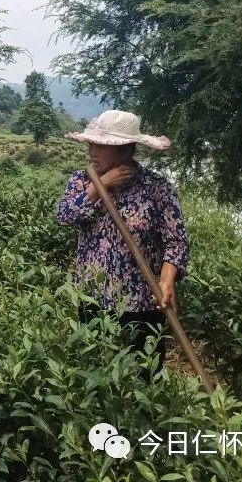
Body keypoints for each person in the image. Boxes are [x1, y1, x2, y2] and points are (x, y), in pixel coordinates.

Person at [57, 110, 190, 377]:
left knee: (144, 376)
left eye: (102, 146)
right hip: (93, 298)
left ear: (125, 150)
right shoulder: (82, 180)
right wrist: (100, 185)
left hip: (142, 301)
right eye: (92, 143)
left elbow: (176, 241)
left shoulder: (156, 188)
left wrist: (167, 278)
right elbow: (65, 215)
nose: (93, 151)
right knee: (95, 373)